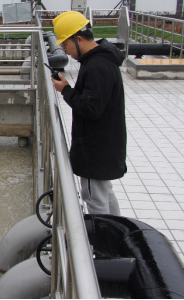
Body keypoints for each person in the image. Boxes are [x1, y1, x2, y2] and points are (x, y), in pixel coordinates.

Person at [50, 11, 127, 215]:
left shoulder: (97, 66)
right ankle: (117, 235)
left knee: (94, 198)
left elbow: (91, 108)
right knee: (105, 193)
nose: (66, 52)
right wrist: (68, 89)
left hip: (96, 148)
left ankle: (101, 243)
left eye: (65, 45)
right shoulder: (100, 60)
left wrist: (66, 90)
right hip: (105, 143)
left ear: (79, 39)